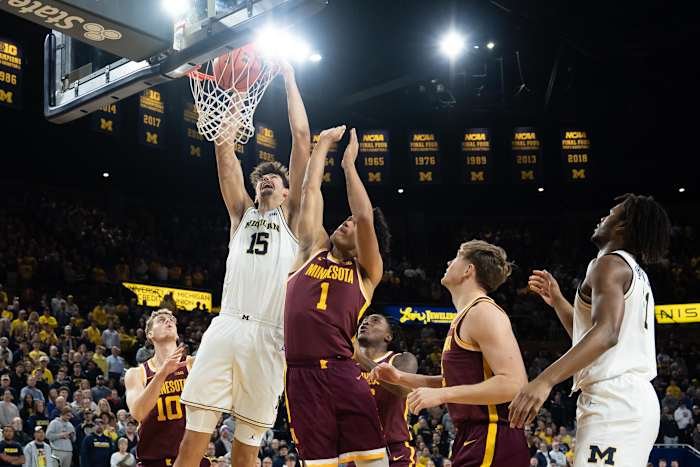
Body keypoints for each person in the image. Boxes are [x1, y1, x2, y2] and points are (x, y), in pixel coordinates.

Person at [175, 60, 310, 467]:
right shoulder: (241, 214)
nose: (267, 179)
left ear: (287, 193)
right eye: (262, 178)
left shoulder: (294, 220)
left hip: (269, 335)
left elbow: (301, 139)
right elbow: (224, 150)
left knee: (246, 450)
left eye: (275, 179)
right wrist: (237, 93)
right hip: (228, 324)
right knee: (192, 439)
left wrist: (289, 77)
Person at [509, 194, 671, 467]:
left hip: (616, 401)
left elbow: (606, 334)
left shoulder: (608, 264)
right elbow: (591, 337)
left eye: (611, 214)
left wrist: (544, 380)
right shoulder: (632, 270)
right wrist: (559, 301)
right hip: (627, 399)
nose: (603, 218)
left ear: (622, 225)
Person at [285, 126, 392, 466]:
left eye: (352, 224)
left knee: (373, 461)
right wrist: (322, 146)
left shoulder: (367, 273)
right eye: (345, 219)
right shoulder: (311, 249)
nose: (347, 222)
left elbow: (364, 217)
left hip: (342, 371)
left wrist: (348, 166)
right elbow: (310, 190)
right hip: (301, 375)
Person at [373, 240, 529, 466]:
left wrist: (444, 395)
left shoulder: (483, 312)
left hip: (493, 436)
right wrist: (400, 378)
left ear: (468, 270)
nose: (448, 262)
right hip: (474, 437)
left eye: (456, 256)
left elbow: (514, 384)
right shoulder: (466, 316)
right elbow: (453, 382)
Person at [124, 309, 207, 467]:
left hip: (193, 460)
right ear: (150, 334)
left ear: (177, 334)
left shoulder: (194, 364)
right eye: (161, 320)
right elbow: (138, 413)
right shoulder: (137, 374)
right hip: (154, 461)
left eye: (171, 320)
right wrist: (162, 374)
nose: (168, 321)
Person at [356, 314, 418, 466]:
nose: (365, 323)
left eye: (374, 321)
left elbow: (403, 389)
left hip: (394, 450)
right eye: (363, 321)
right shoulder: (348, 364)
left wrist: (360, 358)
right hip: (357, 451)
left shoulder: (401, 359)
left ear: (388, 336)